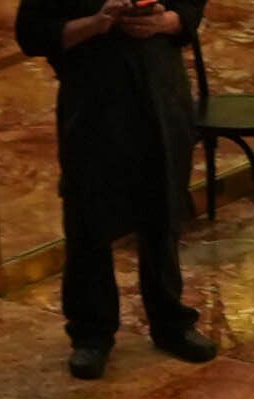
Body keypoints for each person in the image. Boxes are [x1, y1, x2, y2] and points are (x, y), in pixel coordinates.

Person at [15, 0, 215, 377]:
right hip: (93, 100)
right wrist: (96, 23)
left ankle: (171, 322)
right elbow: (33, 34)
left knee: (164, 209)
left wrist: (164, 21)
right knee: (89, 214)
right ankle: (91, 335)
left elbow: (189, 7)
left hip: (161, 90)